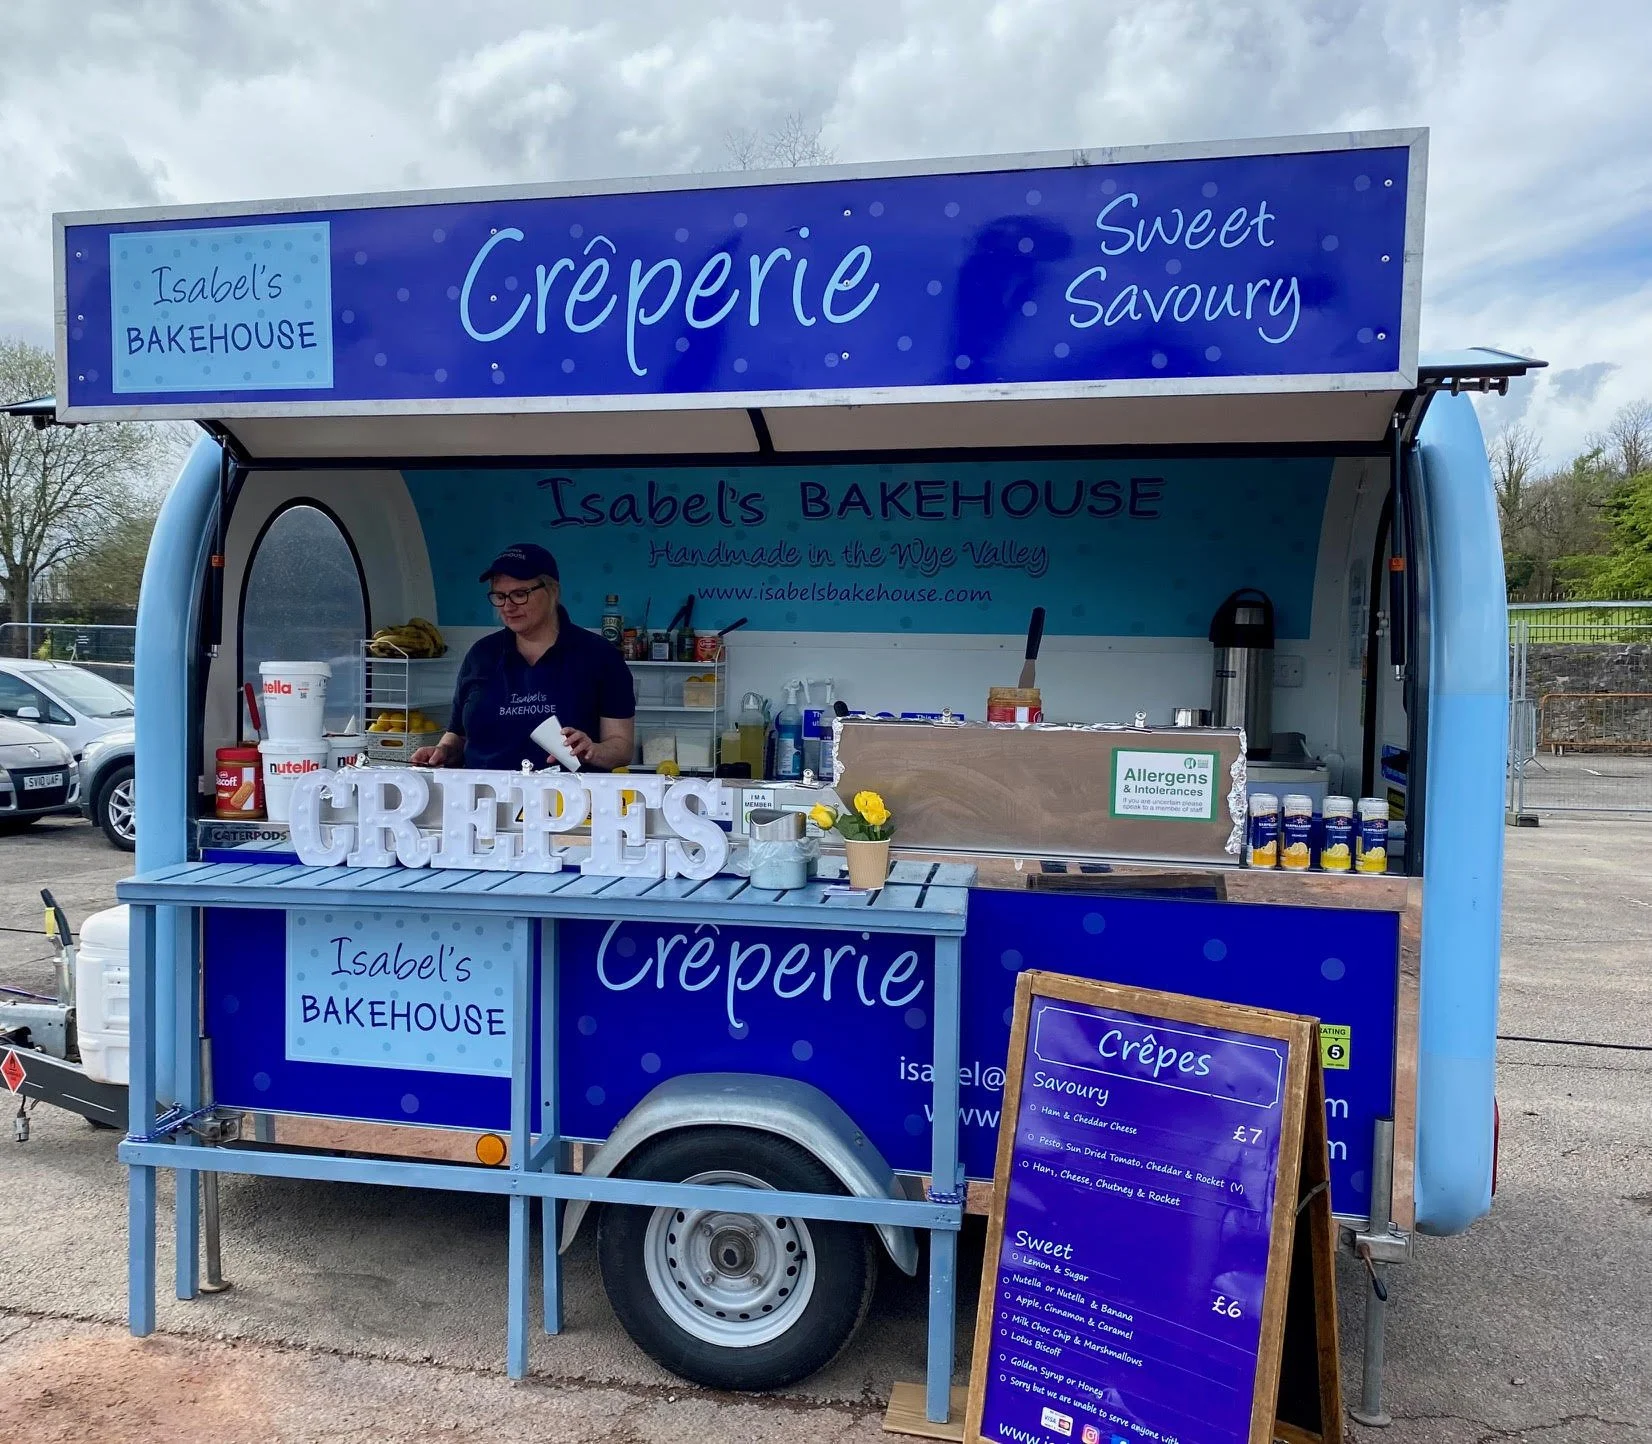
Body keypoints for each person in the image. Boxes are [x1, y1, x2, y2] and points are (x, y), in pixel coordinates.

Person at [411, 542, 635, 771]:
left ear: (553, 591)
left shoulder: (599, 656)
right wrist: (443, 751)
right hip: (485, 792)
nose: (508, 606)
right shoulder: (481, 655)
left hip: (566, 793)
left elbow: (621, 747)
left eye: (520, 594)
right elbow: (458, 735)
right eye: (500, 596)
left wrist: (592, 751)